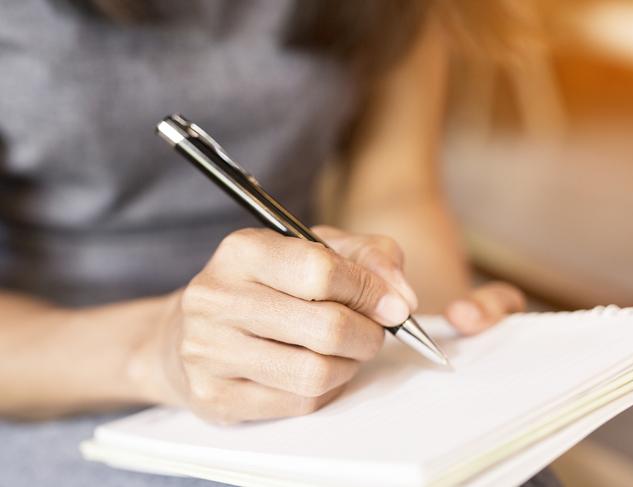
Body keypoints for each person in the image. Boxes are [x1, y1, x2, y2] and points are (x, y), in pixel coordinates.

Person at [0, 1, 557, 486]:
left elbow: (395, 191)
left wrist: (431, 319)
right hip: (58, 380)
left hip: (310, 350)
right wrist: (156, 353)